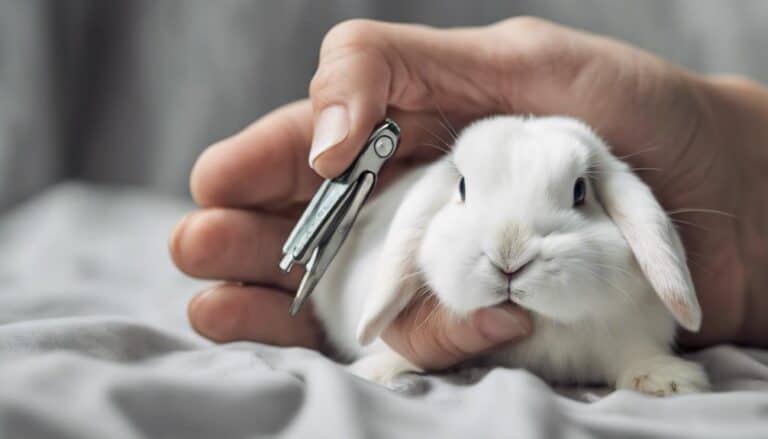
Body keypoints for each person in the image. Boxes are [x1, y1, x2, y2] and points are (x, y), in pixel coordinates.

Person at [169, 18, 768, 371]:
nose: (512, 256)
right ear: (447, 188)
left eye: (576, 194)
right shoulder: (436, 180)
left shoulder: (597, 165)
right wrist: (376, 319)